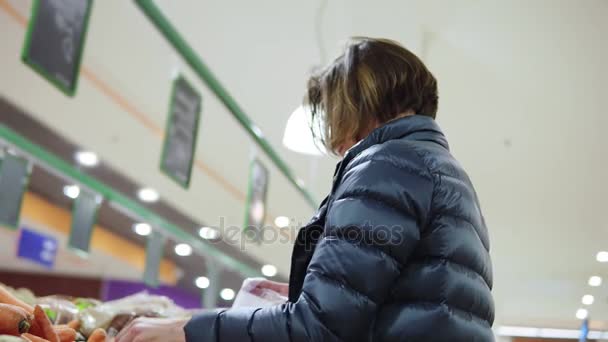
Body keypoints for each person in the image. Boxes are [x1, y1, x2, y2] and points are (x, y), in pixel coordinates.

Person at [116, 37, 494, 342]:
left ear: (355, 102)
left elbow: (320, 329)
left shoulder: (386, 165)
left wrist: (189, 330)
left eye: (331, 114)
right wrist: (309, 290)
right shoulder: (440, 169)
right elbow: (409, 299)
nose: (333, 140)